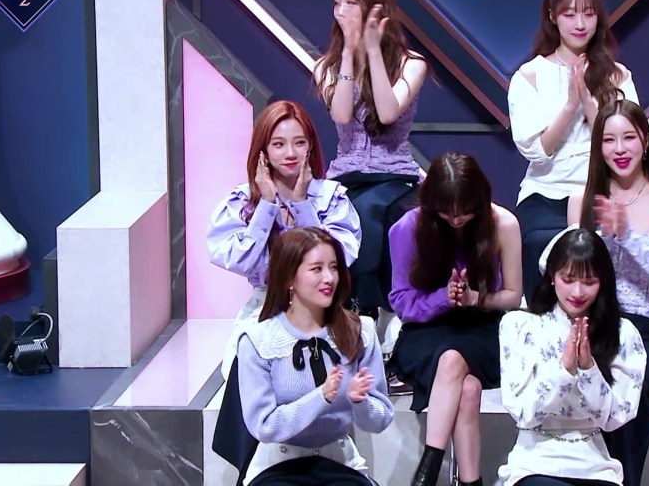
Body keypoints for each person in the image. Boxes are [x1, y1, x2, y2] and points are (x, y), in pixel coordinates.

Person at [564, 100, 649, 486]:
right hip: (599, 325)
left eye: (628, 137)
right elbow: (570, 277)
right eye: (609, 140)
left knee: (632, 381)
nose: (620, 149)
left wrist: (627, 235)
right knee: (600, 376)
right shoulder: (582, 201)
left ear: (645, 140)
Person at [386, 152, 523, 486]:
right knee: (467, 388)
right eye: (447, 211)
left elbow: (513, 296)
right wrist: (443, 298)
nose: (457, 219)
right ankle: (470, 482)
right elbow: (401, 301)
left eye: (465, 210)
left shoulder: (503, 224)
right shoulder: (408, 228)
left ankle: (427, 471)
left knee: (454, 362)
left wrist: (476, 298)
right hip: (426, 330)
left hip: (483, 328)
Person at [220, 227, 393, 486]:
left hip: (339, 462)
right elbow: (264, 426)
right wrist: (321, 397)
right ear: (290, 277)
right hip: (278, 466)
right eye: (316, 269)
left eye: (333, 267)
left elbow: (380, 419)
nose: (329, 278)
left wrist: (360, 401)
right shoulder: (258, 340)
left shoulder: (361, 331)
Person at [508, 0, 640, 304]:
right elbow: (536, 151)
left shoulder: (618, 75)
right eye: (569, 14)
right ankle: (540, 324)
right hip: (545, 192)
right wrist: (569, 106)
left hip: (602, 189)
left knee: (610, 244)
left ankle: (604, 325)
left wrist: (590, 105)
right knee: (540, 241)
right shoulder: (529, 76)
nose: (580, 24)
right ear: (552, 17)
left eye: (588, 14)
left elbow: (627, 143)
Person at [208, 100, 361, 377]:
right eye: (278, 144)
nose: (290, 153)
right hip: (265, 306)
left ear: (310, 146)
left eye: (299, 143)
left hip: (323, 308)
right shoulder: (243, 201)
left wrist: (302, 205)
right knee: (241, 374)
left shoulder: (331, 198)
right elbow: (240, 261)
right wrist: (266, 206)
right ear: (263, 151)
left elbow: (337, 259)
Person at [314, 0, 428, 319]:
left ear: (375, 6)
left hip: (394, 173)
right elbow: (342, 114)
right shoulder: (326, 67)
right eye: (337, 3)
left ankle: (369, 309)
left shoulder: (412, 64)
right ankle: (352, 310)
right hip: (345, 174)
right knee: (344, 210)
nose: (342, 11)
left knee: (370, 211)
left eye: (351, 2)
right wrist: (349, 54)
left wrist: (374, 52)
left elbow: (388, 112)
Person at [498, 228, 646, 486]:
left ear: (603, 282)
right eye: (568, 279)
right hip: (534, 462)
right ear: (552, 276)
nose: (577, 292)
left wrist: (589, 369)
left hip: (596, 466)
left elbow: (615, 418)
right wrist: (564, 371)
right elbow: (524, 414)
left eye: (589, 282)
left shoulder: (624, 334)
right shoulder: (519, 326)